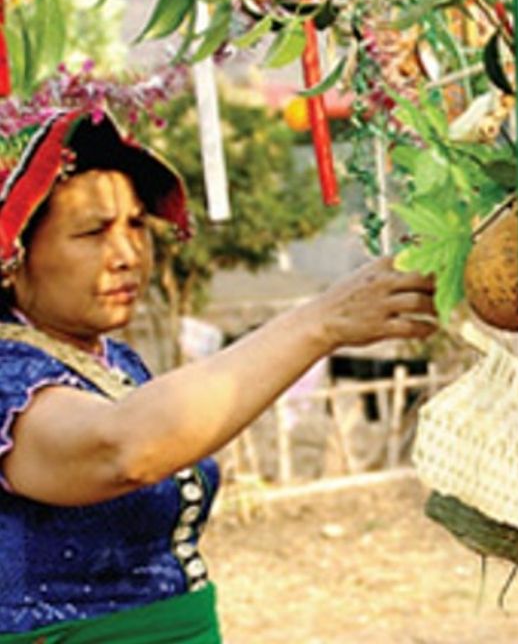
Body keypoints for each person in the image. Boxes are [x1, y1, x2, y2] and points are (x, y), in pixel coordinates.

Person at [0, 109, 437, 642]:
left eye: (136, 225)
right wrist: (319, 323)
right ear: (14, 255)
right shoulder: (10, 375)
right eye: (93, 232)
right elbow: (120, 449)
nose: (126, 255)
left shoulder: (113, 363)